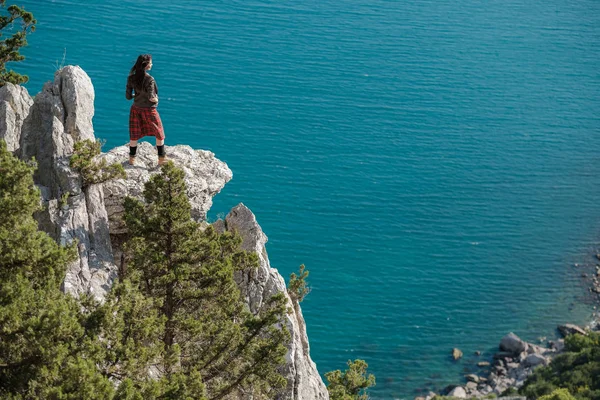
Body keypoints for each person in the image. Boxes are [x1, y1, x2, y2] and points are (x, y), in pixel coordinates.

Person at [126, 54, 166, 165]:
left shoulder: (131, 78)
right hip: (149, 110)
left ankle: (132, 159)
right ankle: (161, 160)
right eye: (151, 62)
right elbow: (151, 97)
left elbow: (128, 97)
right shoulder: (150, 80)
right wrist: (156, 100)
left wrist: (137, 96)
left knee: (134, 135)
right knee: (159, 134)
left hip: (135, 109)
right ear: (146, 65)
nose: (152, 64)